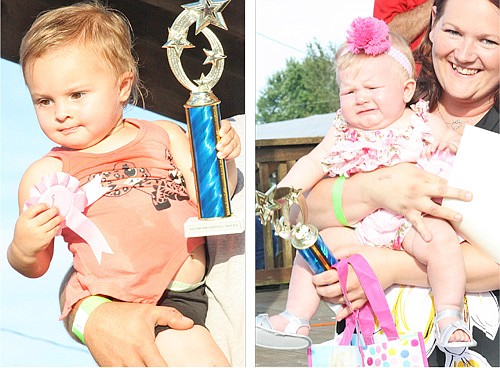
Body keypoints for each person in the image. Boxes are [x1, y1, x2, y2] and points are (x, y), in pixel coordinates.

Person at [7, 2, 242, 366]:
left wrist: (221, 158)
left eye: (77, 95)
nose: (61, 112)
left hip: (182, 294)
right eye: (44, 100)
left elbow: (210, 198)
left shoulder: (164, 134)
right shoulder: (46, 175)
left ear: (122, 86)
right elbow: (35, 266)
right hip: (118, 303)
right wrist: (24, 246)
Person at [255, 16, 474, 350]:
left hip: (411, 224)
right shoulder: (343, 129)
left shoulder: (421, 119)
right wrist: (283, 194)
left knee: (442, 241)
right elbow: (313, 162)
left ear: (406, 90)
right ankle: (295, 318)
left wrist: (451, 146)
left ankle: (448, 315)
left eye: (372, 88)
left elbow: (454, 142)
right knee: (316, 242)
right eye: (349, 90)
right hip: (360, 227)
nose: (360, 98)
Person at [307, 0, 499, 365]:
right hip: (370, 346)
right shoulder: (383, 106)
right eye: (453, 32)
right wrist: (374, 189)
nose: (464, 53)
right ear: (432, 23)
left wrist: (386, 266)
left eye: (488, 41)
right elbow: (308, 207)